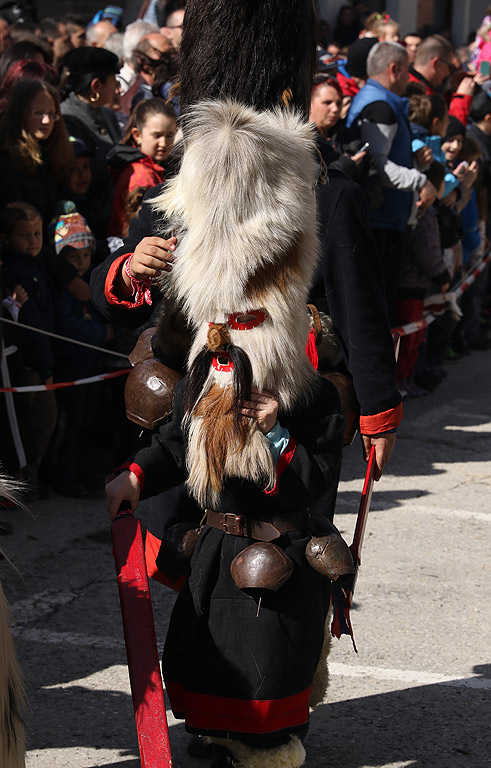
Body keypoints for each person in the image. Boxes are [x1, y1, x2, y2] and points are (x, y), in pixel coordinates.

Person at [347, 41, 437, 317]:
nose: (410, 77)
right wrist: (420, 181)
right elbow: (377, 164)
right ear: (394, 69)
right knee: (377, 307)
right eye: (408, 70)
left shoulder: (380, 101)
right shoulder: (380, 105)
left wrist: (413, 154)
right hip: (380, 221)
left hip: (385, 219)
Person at [50, 202, 114, 497]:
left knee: (86, 422)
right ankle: (63, 476)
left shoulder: (90, 281)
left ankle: (81, 470)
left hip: (92, 366)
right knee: (70, 424)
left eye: (86, 255)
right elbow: (69, 327)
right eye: (72, 257)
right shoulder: (64, 291)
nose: (81, 262)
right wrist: (102, 332)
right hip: (72, 365)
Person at [0, 202, 57, 491]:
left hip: (39, 360)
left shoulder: (37, 264)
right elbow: (31, 328)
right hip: (30, 366)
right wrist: (45, 368)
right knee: (35, 423)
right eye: (24, 235)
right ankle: (21, 483)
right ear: (7, 238)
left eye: (37, 234)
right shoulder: (16, 273)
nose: (33, 241)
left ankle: (28, 480)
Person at [61, 47, 122, 234]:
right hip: (87, 219)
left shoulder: (108, 115)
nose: (117, 88)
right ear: (96, 86)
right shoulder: (67, 119)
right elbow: (80, 170)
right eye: (114, 81)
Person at [0, 78, 73, 223]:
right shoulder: (6, 161)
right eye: (38, 113)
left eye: (52, 114)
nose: (46, 121)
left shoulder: (51, 154)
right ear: (20, 113)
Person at [107, 97, 176, 236]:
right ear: (137, 135)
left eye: (170, 136)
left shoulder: (156, 167)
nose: (163, 143)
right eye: (157, 135)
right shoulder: (141, 175)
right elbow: (146, 227)